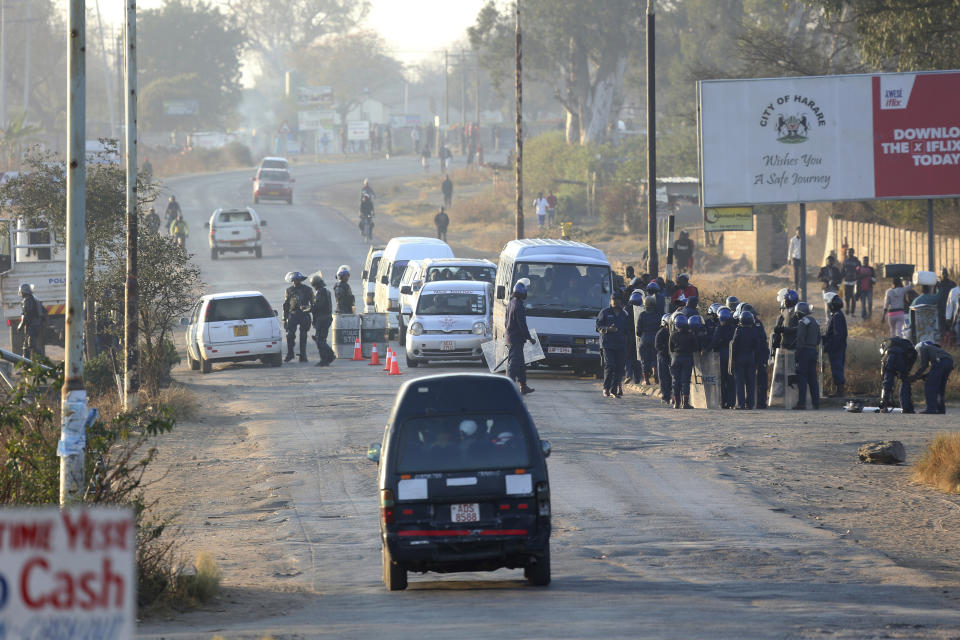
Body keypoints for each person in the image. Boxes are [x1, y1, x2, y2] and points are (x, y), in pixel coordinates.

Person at [596, 294, 631, 398]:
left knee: (619, 367)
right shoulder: (605, 312)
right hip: (608, 344)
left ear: (620, 301)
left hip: (621, 345)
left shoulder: (624, 314)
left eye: (617, 299)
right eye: (613, 300)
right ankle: (606, 388)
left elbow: (628, 330)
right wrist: (607, 329)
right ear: (610, 301)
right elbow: (598, 326)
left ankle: (614, 390)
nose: (615, 302)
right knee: (610, 365)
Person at [505, 282, 536, 395]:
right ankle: (508, 387)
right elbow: (522, 324)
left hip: (510, 337)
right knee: (514, 365)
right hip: (516, 339)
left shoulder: (510, 303)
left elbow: (505, 322)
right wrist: (529, 338)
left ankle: (523, 386)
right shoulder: (519, 306)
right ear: (523, 293)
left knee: (521, 365)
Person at [910, 341, 954, 414]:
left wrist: (915, 376)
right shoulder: (936, 350)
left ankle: (931, 409)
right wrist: (923, 376)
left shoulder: (922, 347)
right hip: (949, 362)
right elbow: (935, 371)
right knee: (940, 389)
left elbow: (924, 365)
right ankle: (941, 409)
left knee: (930, 386)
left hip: (940, 362)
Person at [732, 310, 763, 409]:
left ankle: (741, 404)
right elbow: (758, 347)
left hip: (740, 358)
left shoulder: (738, 330)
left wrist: (733, 360)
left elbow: (734, 346)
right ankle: (750, 404)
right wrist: (757, 361)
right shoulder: (754, 331)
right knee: (751, 382)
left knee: (740, 382)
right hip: (751, 358)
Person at [792, 302, 820, 410]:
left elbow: (800, 339)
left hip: (804, 351)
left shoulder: (803, 322)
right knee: (813, 378)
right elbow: (818, 339)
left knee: (802, 377)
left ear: (799, 312)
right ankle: (816, 403)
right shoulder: (815, 321)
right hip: (813, 351)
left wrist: (797, 353)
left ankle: (801, 403)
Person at [282, 272, 314, 363]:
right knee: (290, 335)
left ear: (301, 280)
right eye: (294, 280)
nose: (295, 282)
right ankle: (290, 354)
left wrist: (308, 309)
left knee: (303, 336)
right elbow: (286, 305)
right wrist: (285, 319)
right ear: (292, 280)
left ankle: (303, 355)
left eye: (297, 280)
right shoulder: (289, 290)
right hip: (293, 314)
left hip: (304, 314)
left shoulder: (308, 289)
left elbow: (313, 304)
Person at [709, 307, 737, 409]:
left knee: (722, 380)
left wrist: (707, 349)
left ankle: (723, 402)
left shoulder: (719, 328)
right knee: (731, 380)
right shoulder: (734, 328)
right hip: (732, 356)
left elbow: (714, 341)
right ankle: (732, 402)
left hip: (721, 355)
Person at [879, 337, 916, 413]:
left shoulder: (885, 343)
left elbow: (883, 360)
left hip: (889, 357)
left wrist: (883, 375)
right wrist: (907, 370)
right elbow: (913, 357)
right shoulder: (908, 344)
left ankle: (884, 407)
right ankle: (905, 408)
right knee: (905, 381)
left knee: (887, 382)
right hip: (901, 358)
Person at [669, 314, 697, 409]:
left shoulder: (673, 335)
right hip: (687, 358)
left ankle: (676, 403)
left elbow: (671, 348)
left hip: (676, 358)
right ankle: (685, 403)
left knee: (676, 381)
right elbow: (695, 347)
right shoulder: (691, 335)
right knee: (685, 381)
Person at [823, 293, 847, 397]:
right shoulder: (837, 315)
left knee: (837, 368)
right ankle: (838, 390)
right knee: (836, 368)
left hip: (836, 348)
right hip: (837, 347)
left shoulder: (837, 316)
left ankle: (840, 391)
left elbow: (838, 334)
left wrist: (832, 346)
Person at [310, 273, 336, 367]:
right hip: (326, 318)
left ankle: (328, 357)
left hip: (322, 319)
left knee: (320, 340)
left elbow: (318, 306)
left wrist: (310, 308)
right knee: (321, 339)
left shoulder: (320, 292)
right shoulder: (326, 291)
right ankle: (327, 357)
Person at [636, 295, 661, 386]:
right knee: (655, 357)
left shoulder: (642, 315)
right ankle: (655, 370)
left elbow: (638, 331)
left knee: (644, 360)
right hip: (656, 338)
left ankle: (646, 380)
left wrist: (641, 335)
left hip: (644, 338)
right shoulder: (658, 315)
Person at [16, 283, 42, 358]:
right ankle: (36, 361)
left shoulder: (27, 301)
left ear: (23, 292)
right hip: (35, 325)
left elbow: (25, 315)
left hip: (32, 326)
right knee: (31, 345)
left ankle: (27, 364)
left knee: (27, 346)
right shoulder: (34, 299)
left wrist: (20, 326)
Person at [655, 314, 673, 405]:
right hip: (663, 356)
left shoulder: (672, 332)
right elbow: (657, 346)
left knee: (671, 378)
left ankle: (671, 395)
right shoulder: (661, 332)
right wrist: (666, 350)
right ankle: (665, 396)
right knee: (663, 377)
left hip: (671, 357)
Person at [818, 255, 842, 320]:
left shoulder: (836, 270)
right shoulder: (823, 269)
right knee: (827, 304)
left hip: (834, 288)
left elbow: (840, 279)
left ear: (833, 262)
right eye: (828, 261)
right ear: (826, 262)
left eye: (831, 261)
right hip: (826, 288)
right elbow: (819, 278)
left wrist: (834, 281)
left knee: (834, 303)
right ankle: (828, 320)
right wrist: (826, 279)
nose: (830, 262)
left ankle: (834, 318)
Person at [936, 269, 956, 334]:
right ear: (941, 275)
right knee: (942, 326)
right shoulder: (938, 284)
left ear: (947, 275)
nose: (944, 275)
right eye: (943, 274)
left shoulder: (952, 284)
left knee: (950, 326)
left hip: (950, 307)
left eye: (945, 274)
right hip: (941, 308)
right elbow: (934, 294)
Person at [841, 248, 861, 316]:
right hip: (846, 281)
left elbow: (859, 270)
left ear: (853, 253)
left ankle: (852, 311)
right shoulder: (845, 261)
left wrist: (858, 278)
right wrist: (841, 280)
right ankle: (847, 308)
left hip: (854, 282)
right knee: (847, 297)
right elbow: (842, 271)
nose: (850, 253)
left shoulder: (856, 261)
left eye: (851, 252)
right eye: (848, 252)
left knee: (853, 297)